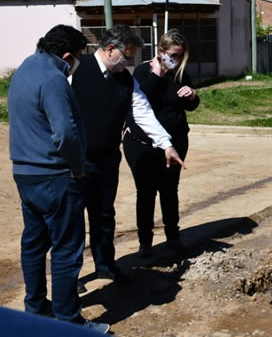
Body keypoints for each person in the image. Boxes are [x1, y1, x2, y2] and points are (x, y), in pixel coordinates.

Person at [8, 25, 110, 333]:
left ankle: (37, 308)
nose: (76, 63)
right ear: (67, 56)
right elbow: (65, 132)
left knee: (34, 244)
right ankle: (69, 321)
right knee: (66, 249)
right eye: (77, 57)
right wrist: (78, 167)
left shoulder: (24, 68)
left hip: (25, 174)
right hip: (55, 176)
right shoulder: (53, 79)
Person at [70, 25, 184, 285]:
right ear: (110, 50)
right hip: (76, 160)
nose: (129, 63)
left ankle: (105, 265)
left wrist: (165, 143)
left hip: (108, 158)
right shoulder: (77, 69)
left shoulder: (125, 80)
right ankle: (72, 276)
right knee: (74, 220)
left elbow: (143, 112)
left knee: (104, 215)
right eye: (127, 56)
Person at [123, 29, 199, 256]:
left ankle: (173, 236)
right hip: (143, 144)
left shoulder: (180, 73)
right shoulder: (141, 72)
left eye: (179, 56)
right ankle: (145, 241)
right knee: (145, 192)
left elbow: (189, 105)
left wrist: (193, 96)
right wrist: (156, 72)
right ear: (160, 51)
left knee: (169, 190)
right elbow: (142, 100)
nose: (175, 60)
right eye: (172, 55)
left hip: (175, 143)